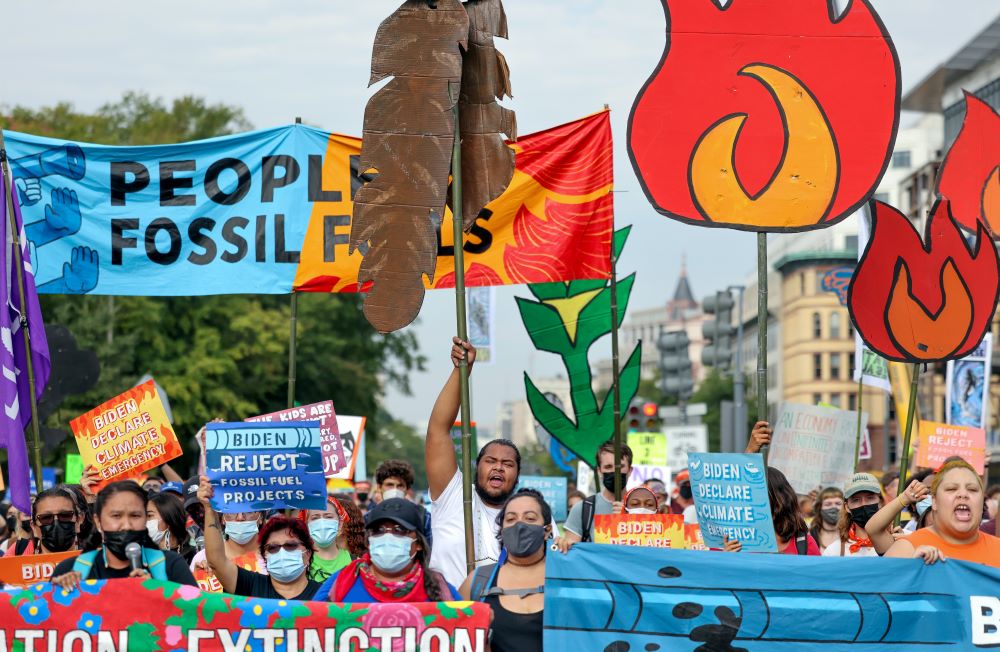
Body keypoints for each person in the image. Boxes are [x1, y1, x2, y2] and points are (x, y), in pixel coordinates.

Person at [427, 338, 553, 587]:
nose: (498, 467)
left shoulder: (533, 516)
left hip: (506, 617)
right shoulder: (453, 494)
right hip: (450, 618)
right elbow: (438, 430)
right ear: (477, 467)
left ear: (517, 475)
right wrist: (462, 370)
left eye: (507, 464)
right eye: (491, 461)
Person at [197, 476, 322, 599]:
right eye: (273, 548)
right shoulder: (251, 585)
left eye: (290, 546)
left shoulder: (326, 596)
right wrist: (209, 509)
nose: (282, 552)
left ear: (308, 554)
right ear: (264, 556)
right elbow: (216, 560)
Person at [50, 481, 196, 587]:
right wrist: (61, 594)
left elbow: (197, 618)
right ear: (98, 521)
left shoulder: (171, 566)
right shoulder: (71, 570)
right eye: (116, 516)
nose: (126, 525)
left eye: (135, 516)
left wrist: (158, 592)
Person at [461, 489, 550, 652]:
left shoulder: (567, 578)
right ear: (502, 530)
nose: (519, 525)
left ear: (547, 531)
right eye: (511, 519)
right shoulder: (477, 581)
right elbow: (453, 637)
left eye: (530, 518)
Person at [318, 498, 458, 602]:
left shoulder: (440, 589)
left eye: (399, 530)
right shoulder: (342, 581)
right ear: (369, 540)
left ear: (419, 543)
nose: (387, 537)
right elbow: (309, 623)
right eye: (379, 530)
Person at [886, 460, 1000, 567]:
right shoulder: (907, 548)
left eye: (972, 490)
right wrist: (909, 569)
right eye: (951, 489)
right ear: (934, 502)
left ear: (982, 502)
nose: (963, 494)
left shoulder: (997, 550)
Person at [724, 467, 820, 555]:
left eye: (755, 495)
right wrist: (724, 560)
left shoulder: (804, 544)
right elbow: (713, 572)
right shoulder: (728, 542)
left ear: (780, 501)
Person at [556, 439, 633, 549]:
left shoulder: (644, 509)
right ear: (599, 471)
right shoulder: (582, 510)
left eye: (620, 467)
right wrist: (563, 544)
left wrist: (631, 519)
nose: (614, 472)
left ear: (630, 470)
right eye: (608, 467)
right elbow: (571, 554)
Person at [821, 474, 891, 557]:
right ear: (847, 507)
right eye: (856, 500)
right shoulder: (833, 551)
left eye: (870, 498)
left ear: (880, 501)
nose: (863, 504)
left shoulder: (900, 541)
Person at [375, 459, 433, 545]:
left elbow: (429, 551)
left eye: (400, 485)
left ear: (407, 489)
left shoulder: (423, 517)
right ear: (379, 487)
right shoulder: (370, 517)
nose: (395, 490)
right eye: (389, 485)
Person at [303, 497, 356, 582]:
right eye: (315, 518)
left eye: (328, 517)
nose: (322, 523)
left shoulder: (355, 563)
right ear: (307, 525)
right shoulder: (301, 563)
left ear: (340, 524)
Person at [30, 487, 83, 555]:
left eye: (65, 515)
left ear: (78, 521)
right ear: (34, 527)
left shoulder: (96, 563)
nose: (56, 523)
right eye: (46, 517)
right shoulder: (19, 565)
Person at [147, 491, 196, 563]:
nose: (145, 520)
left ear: (169, 518)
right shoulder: (141, 556)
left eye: (149, 516)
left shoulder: (194, 556)